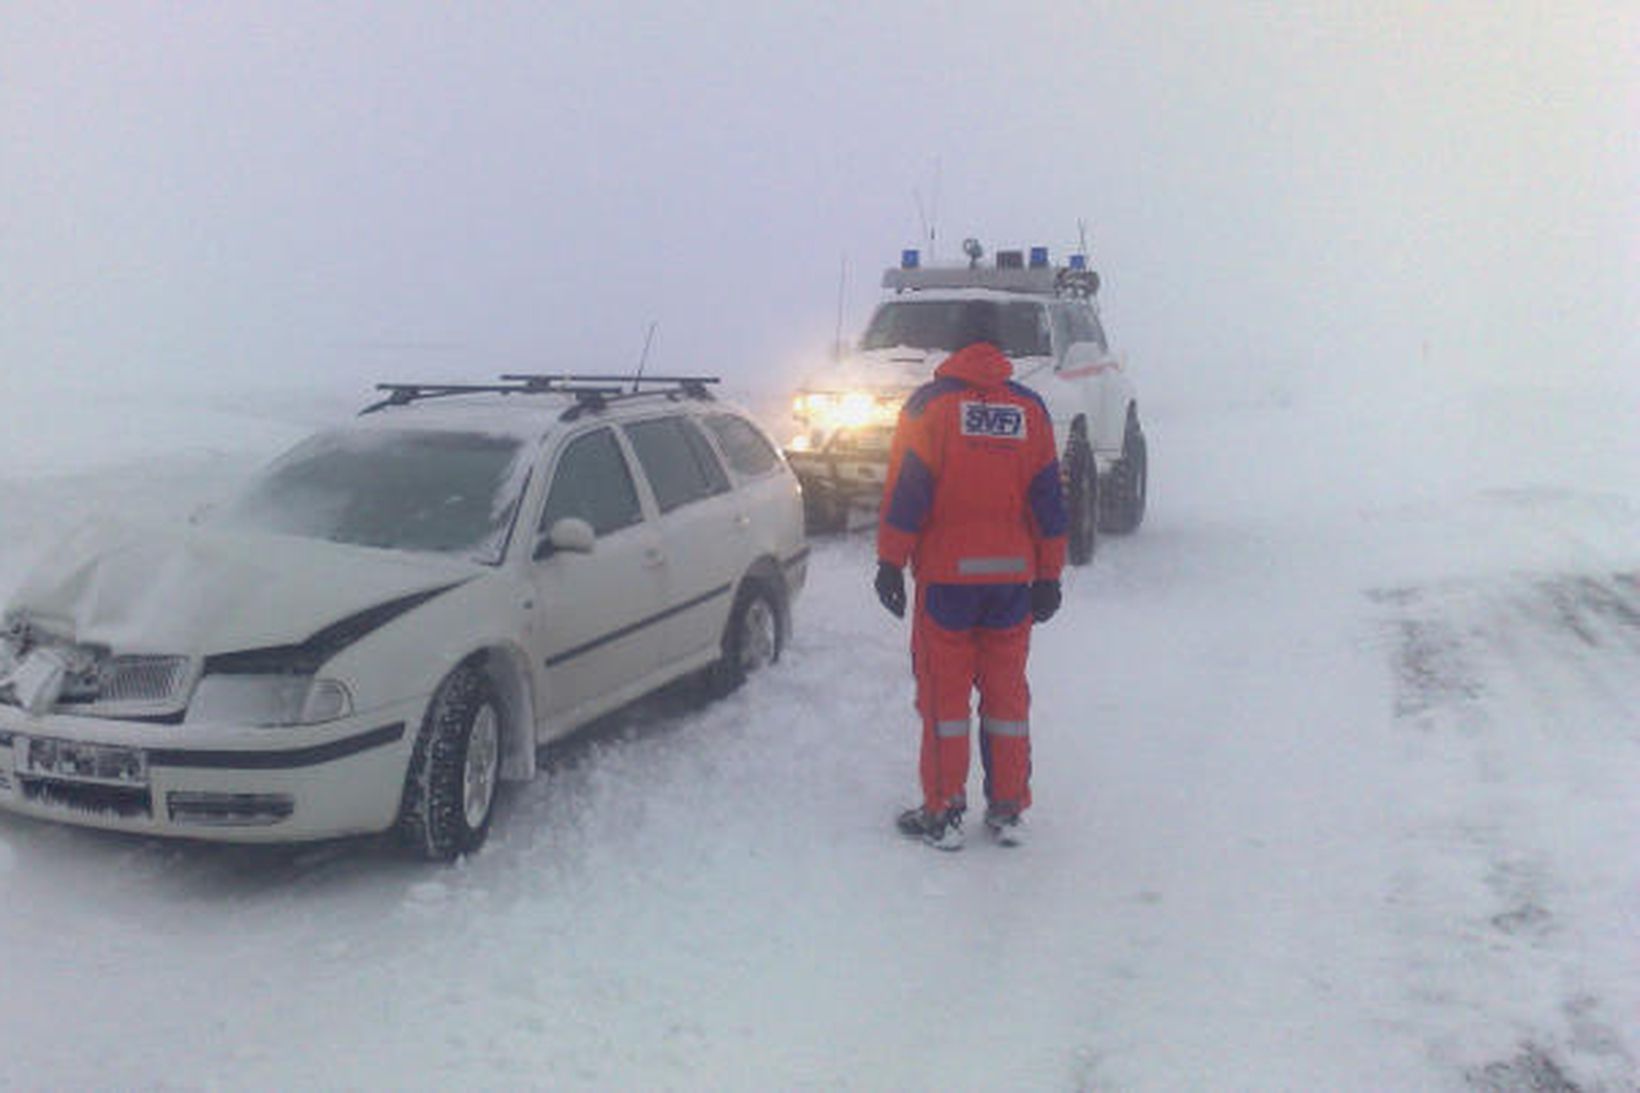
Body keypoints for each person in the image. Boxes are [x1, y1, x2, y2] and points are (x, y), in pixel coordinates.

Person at [874, 300, 1068, 850]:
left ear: (955, 346)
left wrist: (890, 561)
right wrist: (1049, 574)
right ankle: (1007, 808)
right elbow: (1048, 502)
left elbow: (907, 494)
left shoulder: (929, 407)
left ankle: (943, 810)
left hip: (947, 586)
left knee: (945, 701)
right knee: (1007, 697)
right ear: (1000, 348)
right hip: (1011, 585)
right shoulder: (1030, 411)